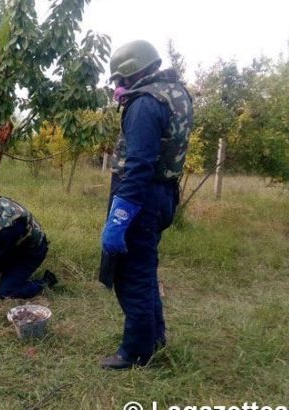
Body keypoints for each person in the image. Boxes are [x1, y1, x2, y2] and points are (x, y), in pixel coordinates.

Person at [99, 40, 193, 370]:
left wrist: (120, 216)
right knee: (145, 270)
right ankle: (154, 337)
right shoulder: (176, 93)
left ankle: (136, 351)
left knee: (131, 275)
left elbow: (138, 164)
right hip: (165, 193)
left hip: (141, 197)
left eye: (120, 79)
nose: (118, 86)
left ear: (134, 71)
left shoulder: (144, 104)